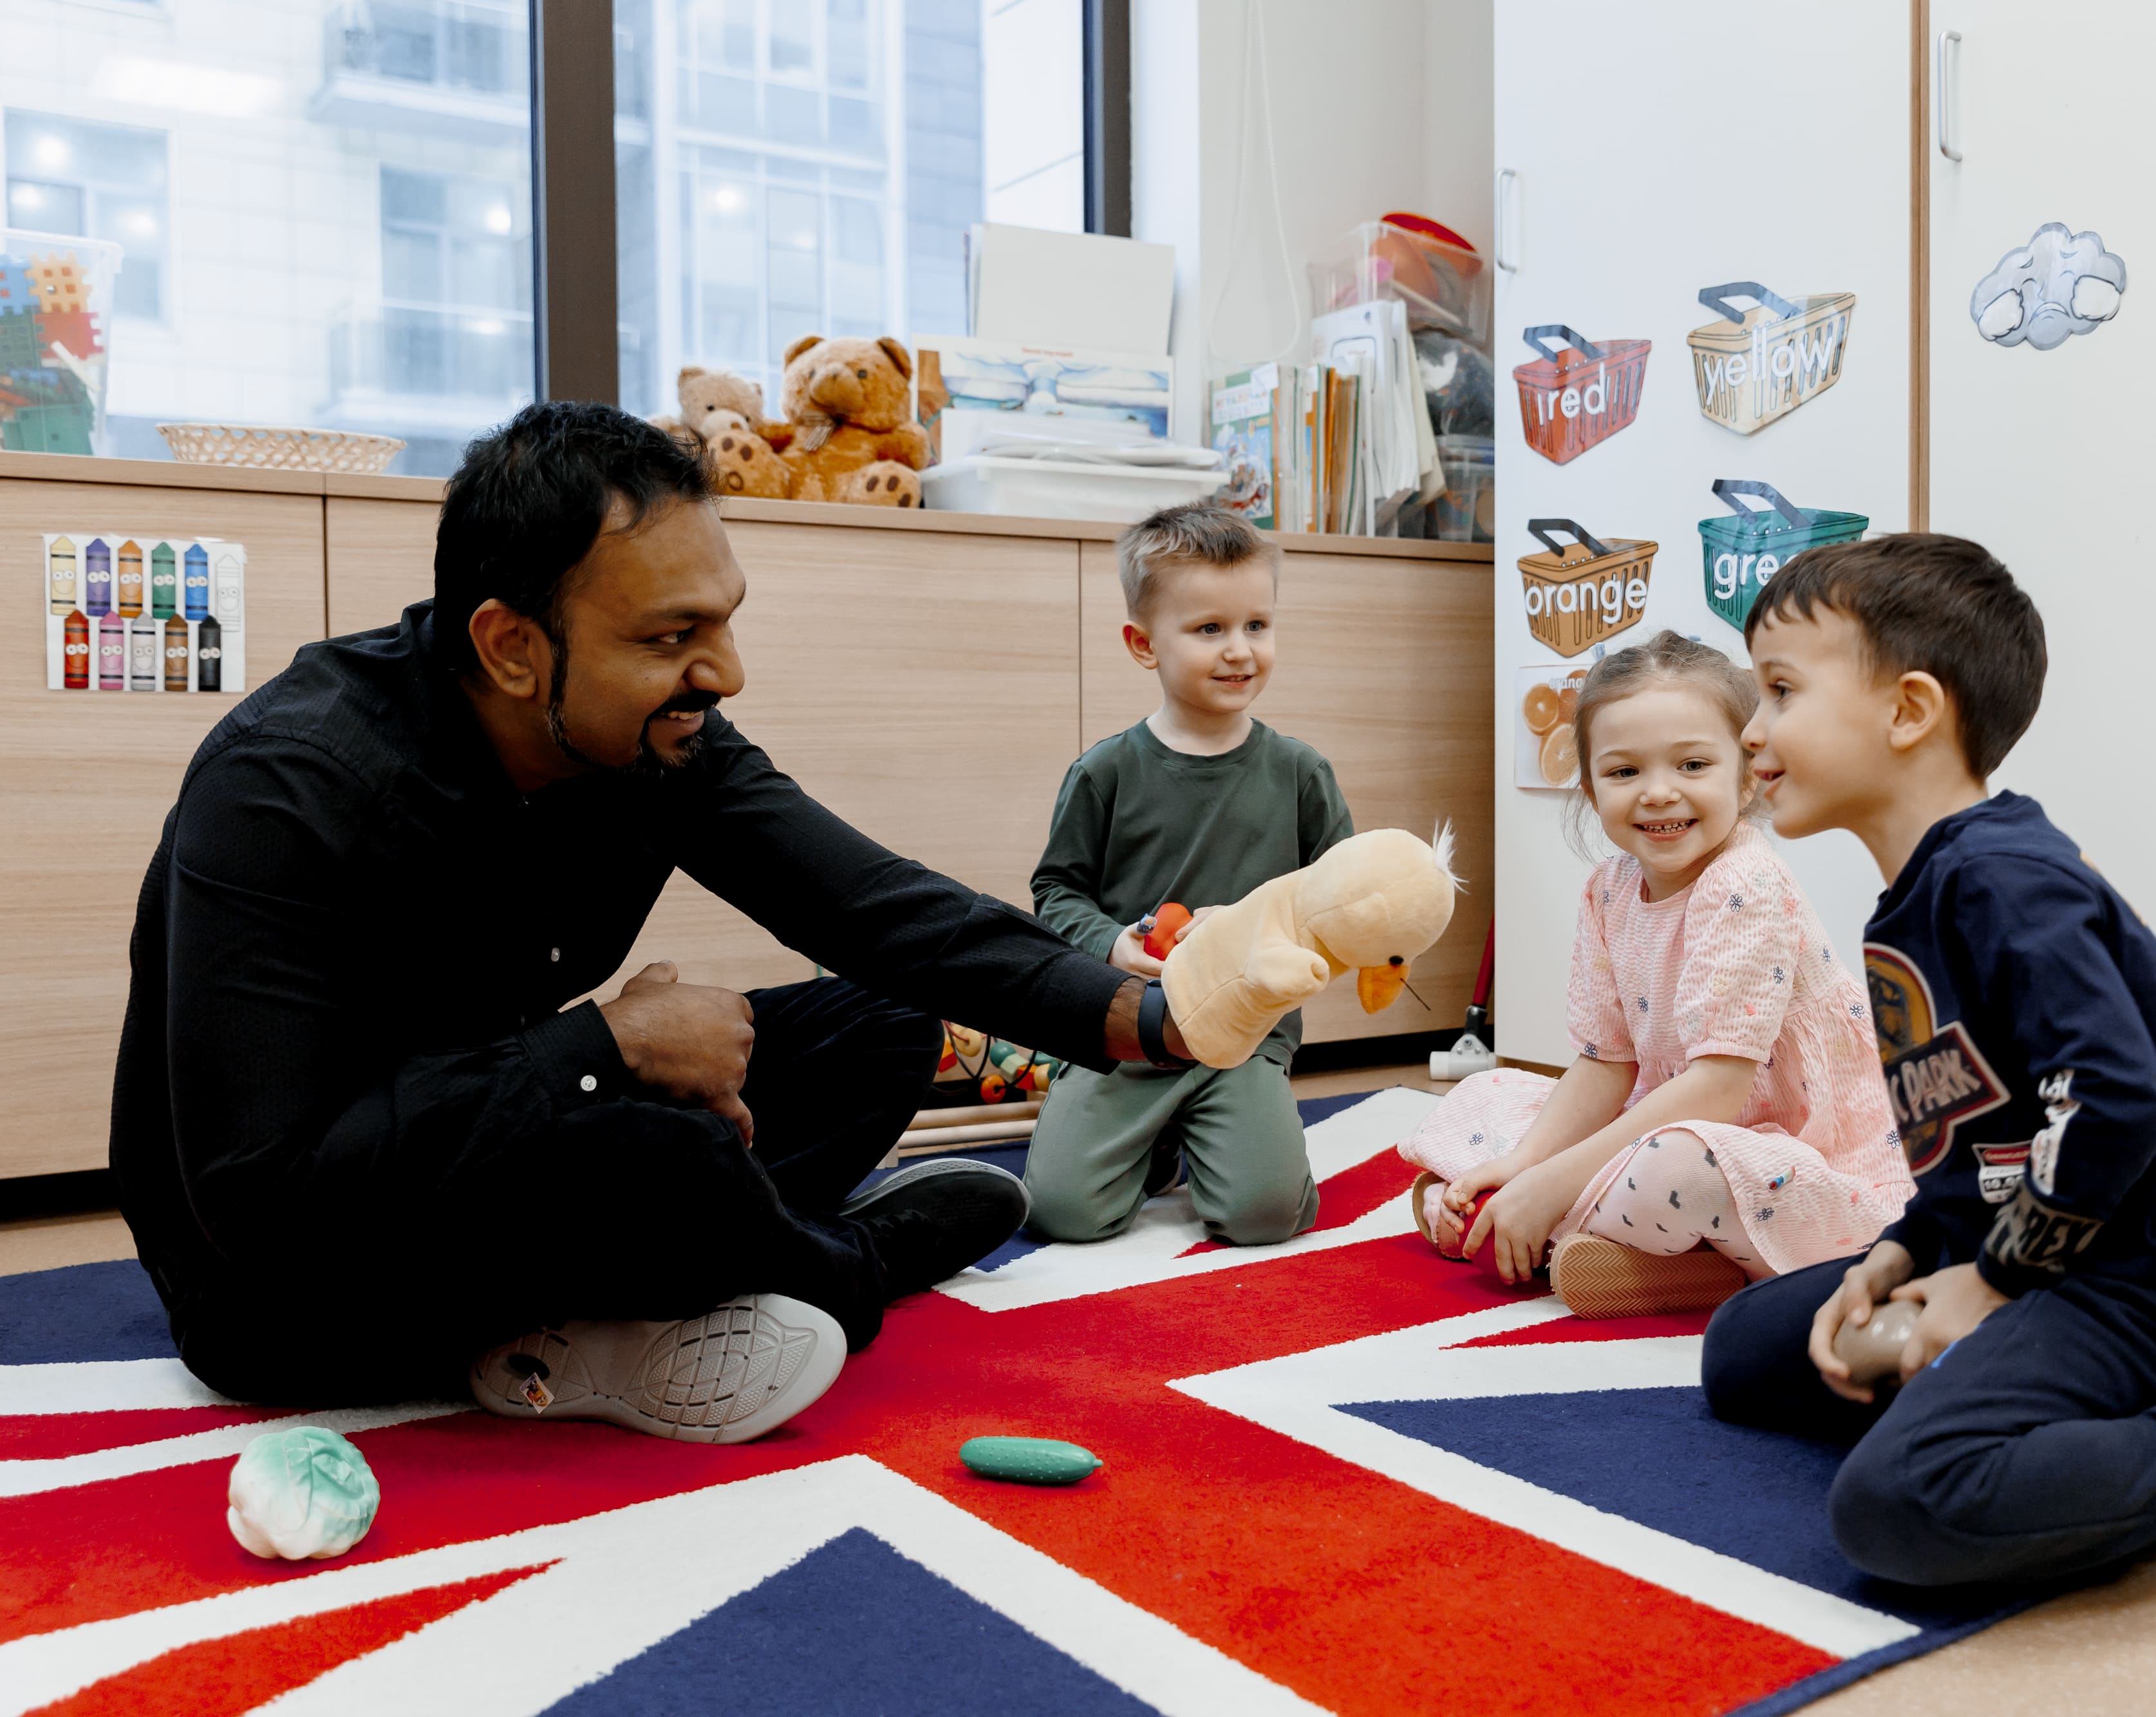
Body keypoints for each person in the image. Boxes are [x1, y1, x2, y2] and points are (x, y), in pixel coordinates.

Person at [109, 402, 1199, 1445]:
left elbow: (875, 906)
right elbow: (264, 1195)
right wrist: (607, 1046)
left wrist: (1149, 1016)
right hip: (289, 1278)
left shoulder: (655, 740)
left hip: (506, 1140)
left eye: (723, 621)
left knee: (885, 1024)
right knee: (660, 1153)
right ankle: (843, 1262)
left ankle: (723, 1241)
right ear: (511, 646)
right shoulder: (288, 789)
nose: (725, 672)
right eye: (674, 635)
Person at [1701, 534, 2156, 1583]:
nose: (1752, 727)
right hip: (2024, 1248)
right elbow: (1977, 1147)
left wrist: (1989, 1283)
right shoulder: (1916, 900)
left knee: (1899, 1506)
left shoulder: (2006, 879)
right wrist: (1904, 1254)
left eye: (1780, 691)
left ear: (1909, 711)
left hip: (2131, 1270)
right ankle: (2061, 1398)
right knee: (1744, 1351)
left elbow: (2119, 1101)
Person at [1400, 632, 1913, 1318]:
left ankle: (1541, 1226)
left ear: (1747, 774)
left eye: (1693, 764)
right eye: (1624, 773)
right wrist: (1524, 1164)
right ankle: (1587, 1236)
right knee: (1486, 1093)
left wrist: (1549, 1182)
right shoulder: (1608, 890)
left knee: (1679, 1165)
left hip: (1790, 1151)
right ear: (1590, 789)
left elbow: (1717, 1092)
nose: (1659, 793)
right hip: (1662, 1116)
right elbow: (1604, 1066)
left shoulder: (1746, 882)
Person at [1022, 503, 1353, 1245]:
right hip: (1124, 1026)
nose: (1239, 650)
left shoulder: (1300, 773)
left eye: (1256, 625)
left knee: (1264, 1217)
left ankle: (1209, 1134)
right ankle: (1164, 1145)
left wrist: (1255, 931)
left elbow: (1339, 900)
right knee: (1063, 1213)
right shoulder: (1104, 772)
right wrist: (1112, 942)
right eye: (1209, 629)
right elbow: (1056, 891)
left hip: (1245, 1036)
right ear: (1144, 645)